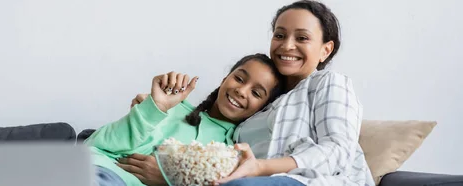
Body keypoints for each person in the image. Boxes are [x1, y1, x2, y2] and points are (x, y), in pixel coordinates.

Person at [122, 1, 375, 186]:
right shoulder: (261, 104)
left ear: (325, 50)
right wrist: (153, 113)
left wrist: (260, 168)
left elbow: (338, 150)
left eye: (302, 38)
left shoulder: (329, 83)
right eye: (280, 35)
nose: (287, 45)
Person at [84, 53, 285, 186]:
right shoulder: (172, 106)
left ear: (263, 108)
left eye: (256, 93)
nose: (241, 90)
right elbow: (96, 144)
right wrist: (156, 107)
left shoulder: (228, 153)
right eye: (239, 79)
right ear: (225, 79)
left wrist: (170, 177)